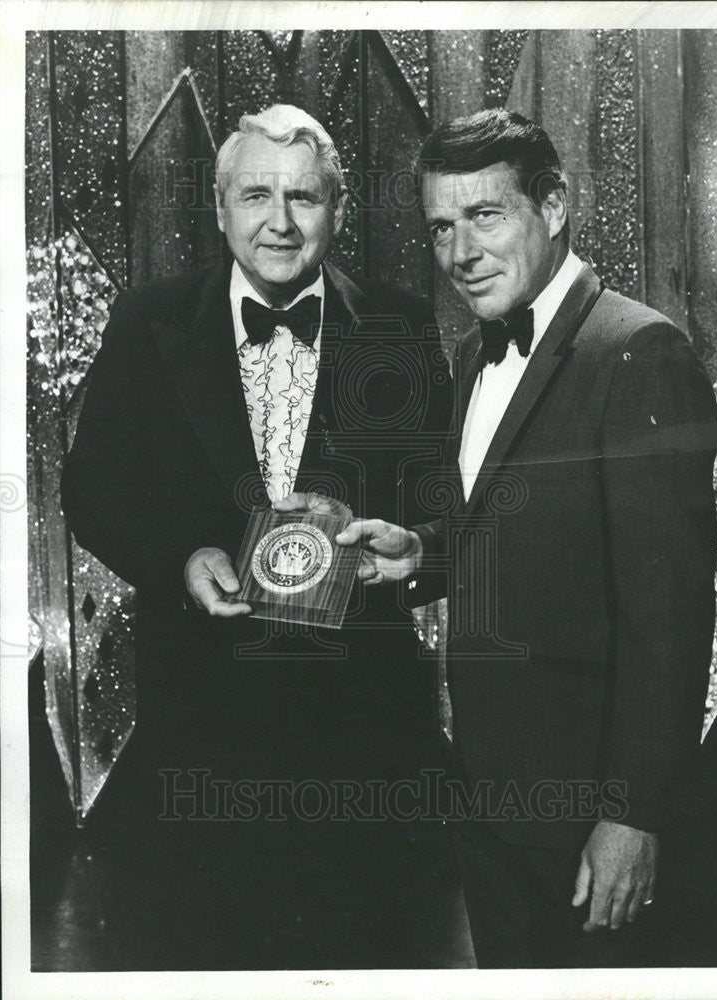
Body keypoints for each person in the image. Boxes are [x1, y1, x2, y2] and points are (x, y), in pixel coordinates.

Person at [308, 108, 717, 967]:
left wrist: (631, 814)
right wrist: (424, 550)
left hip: (586, 814)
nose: (460, 251)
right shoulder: (470, 357)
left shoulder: (639, 351)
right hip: (488, 800)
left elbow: (668, 619)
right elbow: (525, 533)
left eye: (486, 216)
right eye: (440, 226)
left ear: (554, 205)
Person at [61, 104, 451, 789]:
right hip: (197, 721)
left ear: (338, 207)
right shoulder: (147, 321)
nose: (279, 221)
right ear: (219, 209)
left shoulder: (404, 326)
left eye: (302, 196)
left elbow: (450, 510)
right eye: (255, 196)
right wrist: (180, 559)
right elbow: (91, 488)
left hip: (366, 726)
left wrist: (396, 547)